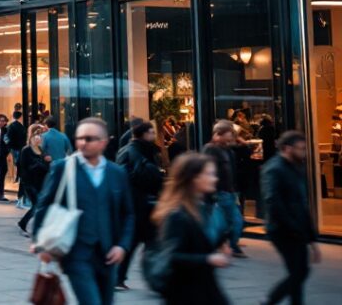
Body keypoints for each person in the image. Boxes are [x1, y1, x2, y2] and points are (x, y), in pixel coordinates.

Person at [32, 118, 134, 305]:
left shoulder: (116, 173)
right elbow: (44, 204)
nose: (82, 143)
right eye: (79, 138)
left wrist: (123, 245)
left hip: (108, 254)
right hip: (76, 253)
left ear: (103, 142)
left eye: (89, 138)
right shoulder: (63, 168)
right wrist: (39, 242)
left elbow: (128, 213)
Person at [150, 152, 232, 305]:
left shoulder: (205, 207)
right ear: (194, 178)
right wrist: (208, 259)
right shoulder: (177, 215)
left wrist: (221, 242)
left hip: (205, 286)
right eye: (209, 174)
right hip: (184, 291)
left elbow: (206, 234)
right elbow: (172, 257)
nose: (215, 179)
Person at [261, 131, 319, 305]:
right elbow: (273, 201)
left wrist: (311, 238)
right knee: (299, 272)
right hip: (282, 229)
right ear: (287, 148)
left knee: (299, 271)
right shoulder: (274, 168)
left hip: (296, 228)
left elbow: (301, 203)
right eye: (300, 149)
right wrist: (293, 227)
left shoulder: (296, 166)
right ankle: (270, 300)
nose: (304, 152)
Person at [115, 121, 165, 290]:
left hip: (142, 204)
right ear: (143, 134)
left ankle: (122, 276)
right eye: (151, 132)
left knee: (148, 242)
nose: (153, 135)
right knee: (140, 242)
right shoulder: (135, 151)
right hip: (138, 204)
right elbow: (130, 177)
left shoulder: (138, 150)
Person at [202, 120, 245, 257]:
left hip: (229, 192)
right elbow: (207, 171)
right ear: (219, 134)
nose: (232, 136)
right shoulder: (211, 149)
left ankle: (228, 245)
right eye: (230, 133)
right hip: (220, 192)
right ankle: (229, 246)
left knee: (230, 221)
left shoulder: (227, 150)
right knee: (229, 221)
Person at [17, 123, 49, 237]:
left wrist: (47, 163)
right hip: (30, 183)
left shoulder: (40, 149)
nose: (39, 137)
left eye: (41, 135)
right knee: (37, 205)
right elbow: (24, 167)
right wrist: (40, 164)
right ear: (31, 136)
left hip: (40, 182)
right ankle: (22, 224)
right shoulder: (26, 150)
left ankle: (36, 226)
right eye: (37, 134)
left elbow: (46, 167)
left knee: (40, 205)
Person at [6, 110, 27, 203]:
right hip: (19, 148)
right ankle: (17, 177)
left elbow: (8, 138)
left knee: (17, 163)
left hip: (14, 148)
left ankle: (16, 177)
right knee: (18, 163)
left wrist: (9, 147)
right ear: (20, 117)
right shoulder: (21, 126)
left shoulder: (11, 126)